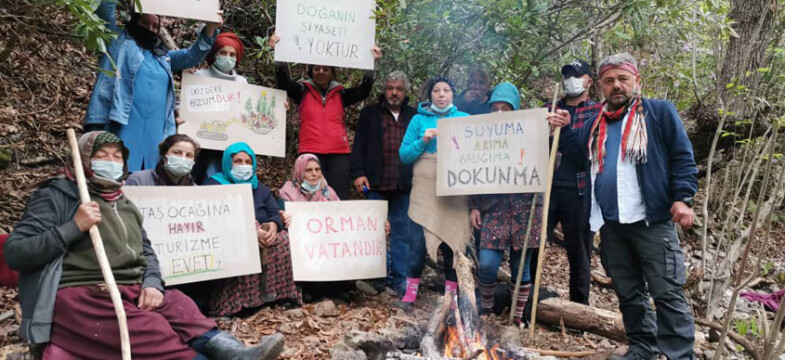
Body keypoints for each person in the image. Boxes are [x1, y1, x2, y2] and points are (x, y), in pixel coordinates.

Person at [4, 131, 284, 360]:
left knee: (181, 307)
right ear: (85, 160)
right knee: (151, 329)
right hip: (83, 292)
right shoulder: (57, 196)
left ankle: (235, 354)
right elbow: (16, 252)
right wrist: (72, 227)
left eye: (116, 156)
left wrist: (152, 282)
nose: (110, 162)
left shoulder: (124, 201)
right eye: (102, 156)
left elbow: (146, 249)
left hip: (132, 286)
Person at [557, 53, 698, 360]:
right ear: (601, 87)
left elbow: (683, 158)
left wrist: (683, 198)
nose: (616, 86)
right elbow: (577, 154)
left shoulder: (658, 112)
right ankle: (642, 348)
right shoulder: (596, 121)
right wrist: (565, 128)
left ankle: (680, 355)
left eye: (623, 79)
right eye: (609, 81)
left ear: (637, 81)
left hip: (652, 220)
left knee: (666, 291)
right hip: (610, 224)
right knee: (629, 291)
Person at [84, 0, 221, 172]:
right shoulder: (116, 41)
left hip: (156, 130)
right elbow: (104, 8)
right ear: (133, 20)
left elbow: (192, 56)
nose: (149, 28)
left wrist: (210, 28)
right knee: (116, 170)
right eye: (144, 23)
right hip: (121, 123)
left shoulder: (163, 57)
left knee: (149, 178)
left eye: (155, 26)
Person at [269, 33, 382, 200]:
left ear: (332, 73)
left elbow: (363, 91)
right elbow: (284, 82)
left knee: (338, 197)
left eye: (325, 69)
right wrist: (277, 53)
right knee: (310, 197)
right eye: (316, 69)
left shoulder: (341, 94)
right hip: (310, 152)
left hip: (339, 154)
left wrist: (371, 64)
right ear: (311, 71)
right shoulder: (302, 92)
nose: (321, 72)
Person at [470, 82, 544, 326]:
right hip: (494, 209)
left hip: (525, 209)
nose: (499, 113)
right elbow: (470, 172)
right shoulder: (480, 137)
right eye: (495, 108)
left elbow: (549, 165)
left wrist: (551, 134)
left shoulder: (533, 132)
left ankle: (517, 317)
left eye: (506, 108)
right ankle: (486, 312)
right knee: (488, 264)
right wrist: (474, 206)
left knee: (520, 267)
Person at [205, 142, 301, 316]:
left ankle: (280, 296)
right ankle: (237, 304)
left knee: (284, 240)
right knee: (244, 243)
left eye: (248, 162)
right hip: (232, 234)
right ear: (228, 163)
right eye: (238, 161)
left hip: (263, 233)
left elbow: (273, 212)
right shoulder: (214, 185)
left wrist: (273, 226)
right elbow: (213, 218)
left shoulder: (259, 188)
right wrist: (248, 231)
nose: (244, 166)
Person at [398, 76, 470, 307]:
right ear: (430, 96)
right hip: (424, 189)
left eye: (446, 90)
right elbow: (404, 155)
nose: (441, 94)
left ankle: (451, 293)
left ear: (452, 94)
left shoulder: (464, 119)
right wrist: (423, 140)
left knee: (453, 241)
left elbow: (477, 151)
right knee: (416, 240)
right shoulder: (418, 120)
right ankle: (411, 291)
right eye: (436, 91)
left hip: (455, 189)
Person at [350, 71, 421, 295]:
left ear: (405, 91)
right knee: (375, 233)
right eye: (390, 88)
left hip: (404, 184)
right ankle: (379, 278)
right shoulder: (370, 114)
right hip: (375, 182)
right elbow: (359, 145)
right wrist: (358, 173)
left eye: (399, 89)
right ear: (384, 88)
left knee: (403, 233)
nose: (394, 92)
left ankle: (400, 280)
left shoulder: (414, 115)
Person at [546, 59, 599, 306]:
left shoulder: (596, 112)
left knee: (579, 252)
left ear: (589, 80)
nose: (571, 80)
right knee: (534, 246)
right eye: (566, 75)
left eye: (576, 75)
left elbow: (585, 156)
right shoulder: (549, 109)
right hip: (546, 190)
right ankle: (529, 298)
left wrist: (565, 130)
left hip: (579, 192)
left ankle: (580, 308)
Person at [190, 32, 248, 183]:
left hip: (231, 145)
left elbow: (247, 113)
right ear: (214, 54)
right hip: (203, 144)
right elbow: (186, 106)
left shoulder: (242, 82)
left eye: (232, 54)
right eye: (223, 52)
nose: (227, 57)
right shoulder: (200, 76)